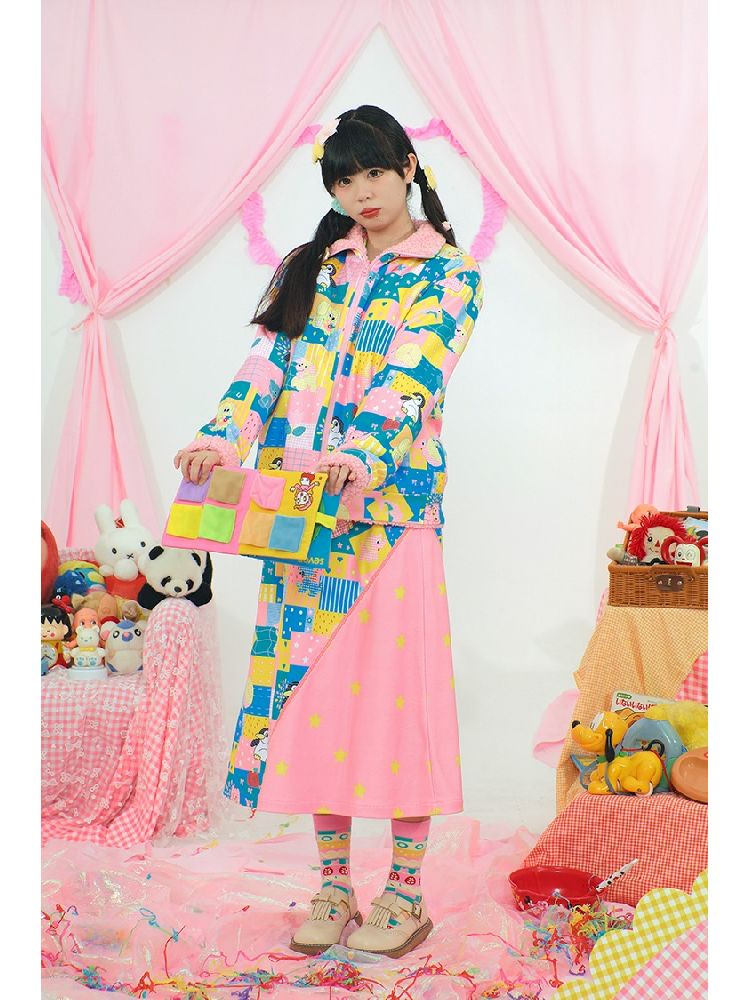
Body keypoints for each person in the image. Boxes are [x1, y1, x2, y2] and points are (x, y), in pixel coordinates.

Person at [174, 104, 484, 959]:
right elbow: (264, 366)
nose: (362, 193)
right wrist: (220, 440)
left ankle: (406, 894)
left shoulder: (450, 275)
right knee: (310, 706)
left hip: (391, 517)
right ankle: (337, 887)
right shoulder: (309, 266)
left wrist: (361, 455)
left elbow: (413, 375)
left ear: (409, 166)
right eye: (345, 180)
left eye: (375, 172)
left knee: (398, 705)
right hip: (297, 519)